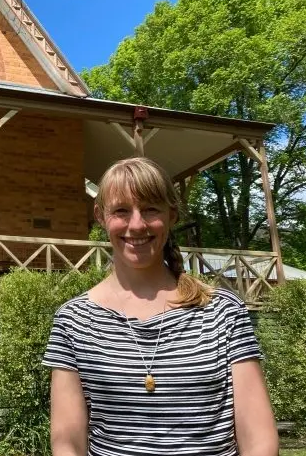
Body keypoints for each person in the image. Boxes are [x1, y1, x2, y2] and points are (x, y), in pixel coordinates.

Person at [43, 157, 278, 456]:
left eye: (151, 208)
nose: (137, 224)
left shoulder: (223, 312)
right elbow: (67, 443)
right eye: (121, 211)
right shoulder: (73, 321)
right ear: (101, 216)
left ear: (172, 215)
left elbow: (259, 438)